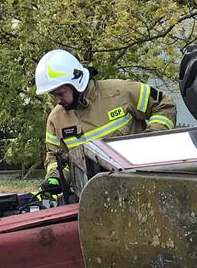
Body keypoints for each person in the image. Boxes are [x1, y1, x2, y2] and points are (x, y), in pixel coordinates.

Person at [35, 49, 178, 196]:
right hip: (93, 198)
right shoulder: (56, 120)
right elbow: (56, 157)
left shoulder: (120, 92)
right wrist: (55, 178)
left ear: (76, 82)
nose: (57, 100)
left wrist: (151, 138)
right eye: (53, 95)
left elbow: (164, 105)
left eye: (60, 93)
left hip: (142, 185)